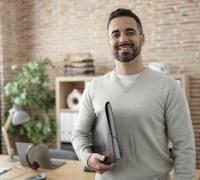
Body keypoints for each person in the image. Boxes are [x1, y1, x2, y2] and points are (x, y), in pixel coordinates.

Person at [71, 8, 196, 180]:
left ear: (142, 38)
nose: (123, 39)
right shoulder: (94, 88)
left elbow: (184, 146)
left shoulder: (168, 87)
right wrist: (87, 157)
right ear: (109, 41)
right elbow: (79, 135)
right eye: (115, 34)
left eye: (130, 32)